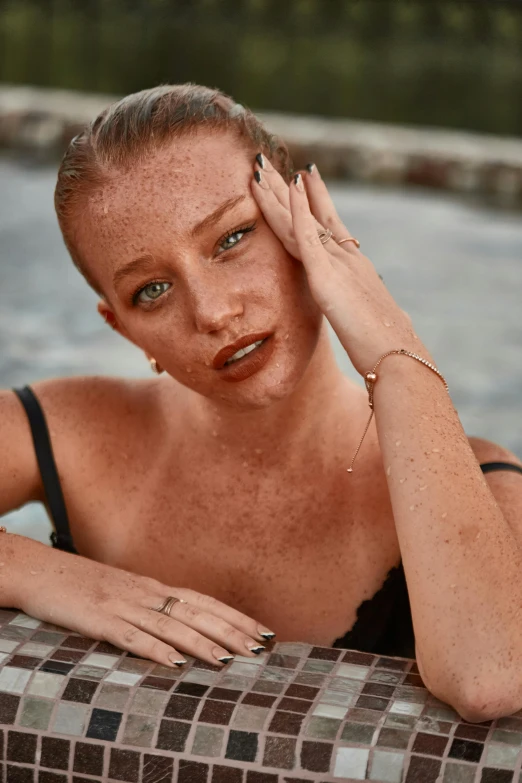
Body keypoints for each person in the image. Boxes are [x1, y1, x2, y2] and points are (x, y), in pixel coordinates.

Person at [1, 84, 522, 722]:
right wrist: (51, 577)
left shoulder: (476, 483)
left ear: (300, 221)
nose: (214, 313)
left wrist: (390, 339)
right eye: (153, 290)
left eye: (231, 238)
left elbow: (491, 678)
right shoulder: (65, 430)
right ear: (123, 330)